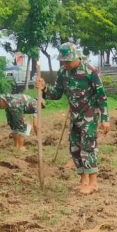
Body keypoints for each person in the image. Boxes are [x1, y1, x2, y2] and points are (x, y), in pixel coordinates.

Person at [36, 42, 109, 195]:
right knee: (75, 148)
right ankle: (83, 180)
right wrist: (44, 88)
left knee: (87, 146)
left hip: (89, 114)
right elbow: (56, 93)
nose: (66, 63)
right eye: (64, 61)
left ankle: (93, 182)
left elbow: (101, 96)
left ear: (77, 57)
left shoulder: (90, 71)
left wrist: (105, 118)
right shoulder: (63, 72)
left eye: (68, 61)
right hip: (74, 115)